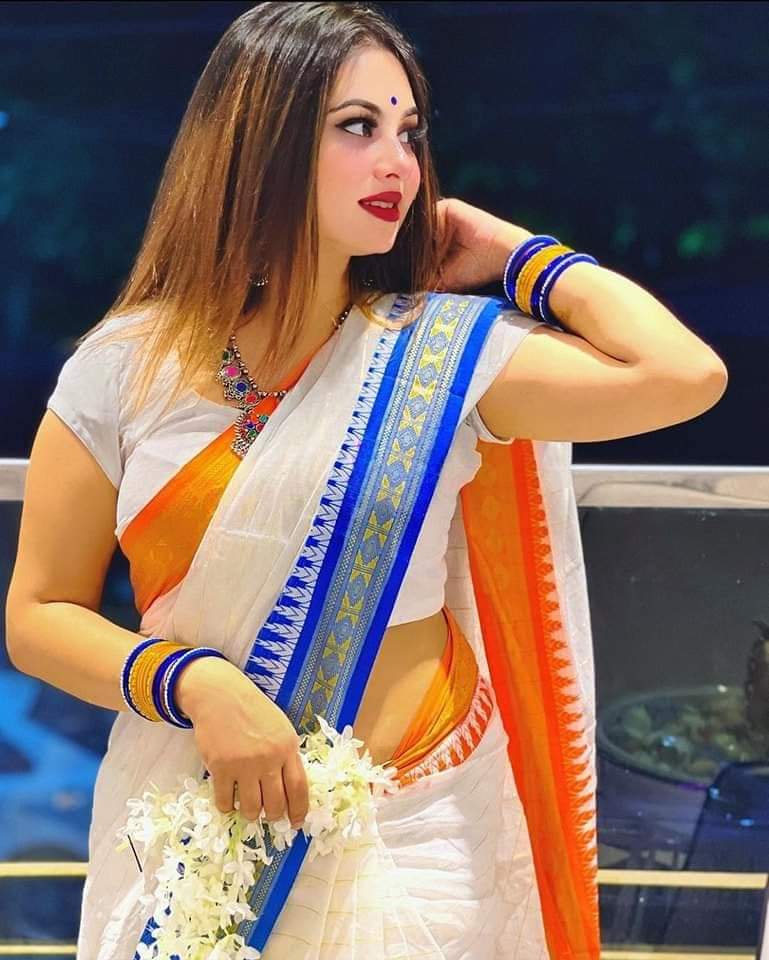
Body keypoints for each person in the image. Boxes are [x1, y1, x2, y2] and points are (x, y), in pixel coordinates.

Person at [5, 3, 728, 958]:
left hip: (424, 829)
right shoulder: (125, 367)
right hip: (202, 813)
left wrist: (516, 254)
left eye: (409, 134)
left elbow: (682, 377)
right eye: (358, 127)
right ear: (259, 141)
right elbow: (39, 613)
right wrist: (196, 683)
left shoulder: (437, 358)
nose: (399, 163)